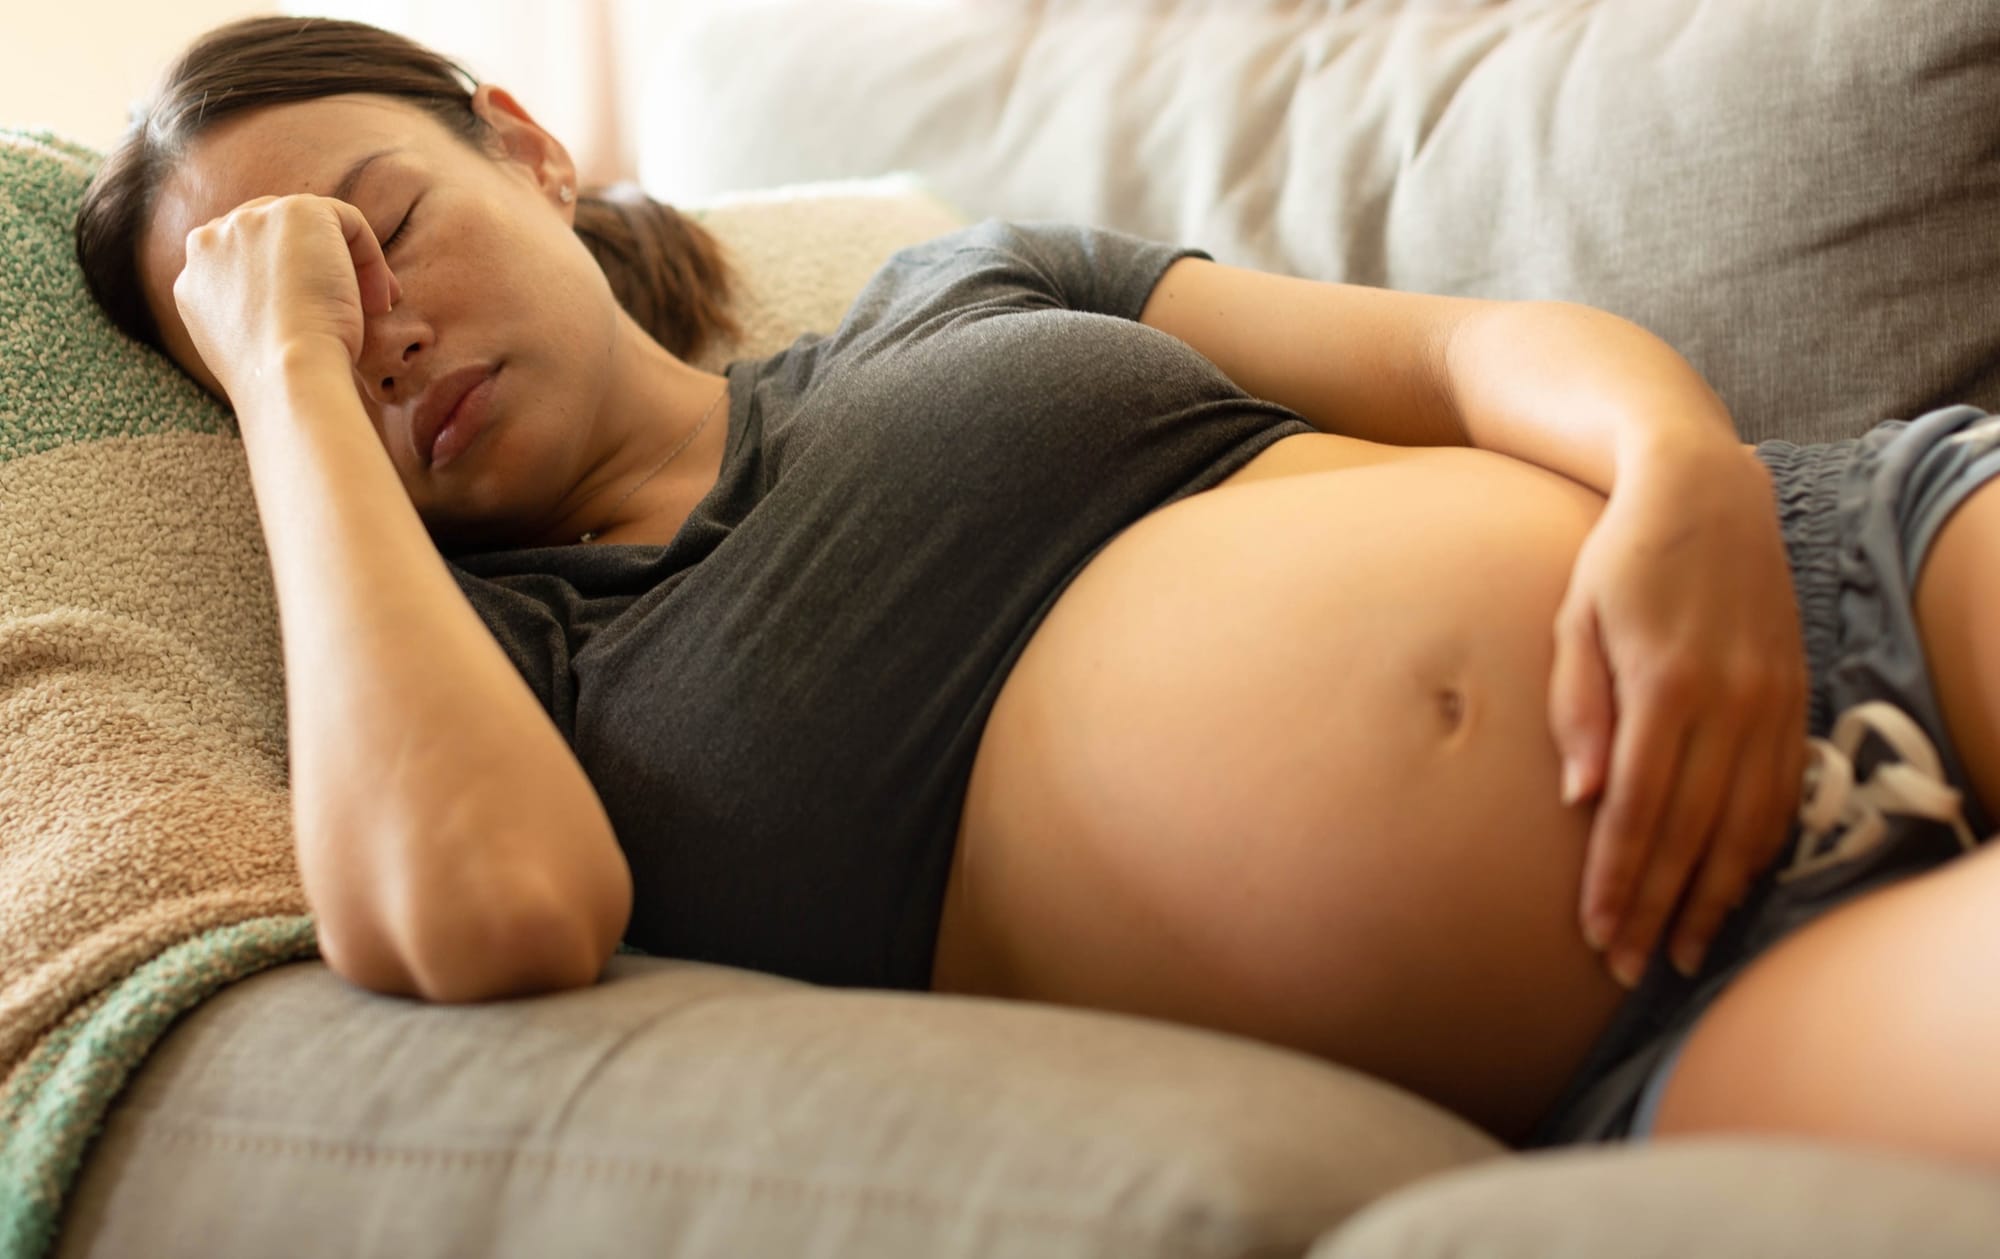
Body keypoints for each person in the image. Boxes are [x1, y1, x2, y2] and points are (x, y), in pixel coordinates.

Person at [73, 15, 2000, 1166]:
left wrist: (1681, 479)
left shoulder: (965, 287)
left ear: (526, 144)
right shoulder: (507, 674)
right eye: (313, 333)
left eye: (380, 231)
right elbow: (482, 917)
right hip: (1640, 999)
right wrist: (293, 385)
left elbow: (1478, 353)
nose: (383, 334)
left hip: (1842, 558)